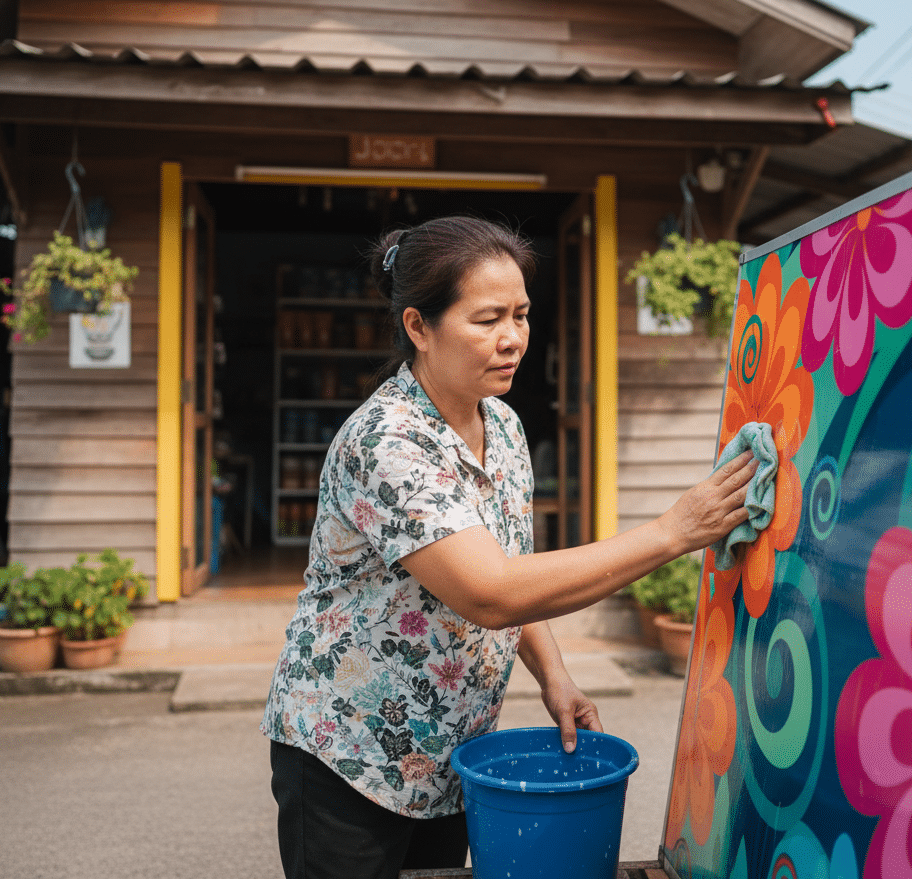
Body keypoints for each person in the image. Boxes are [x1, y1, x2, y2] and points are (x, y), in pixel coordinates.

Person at [261, 216, 756, 879]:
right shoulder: (386, 443)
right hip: (350, 753)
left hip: (446, 754)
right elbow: (490, 593)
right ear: (418, 327)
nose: (513, 339)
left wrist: (555, 677)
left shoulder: (503, 423)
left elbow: (515, 571)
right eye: (487, 319)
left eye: (521, 315)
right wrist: (671, 533)